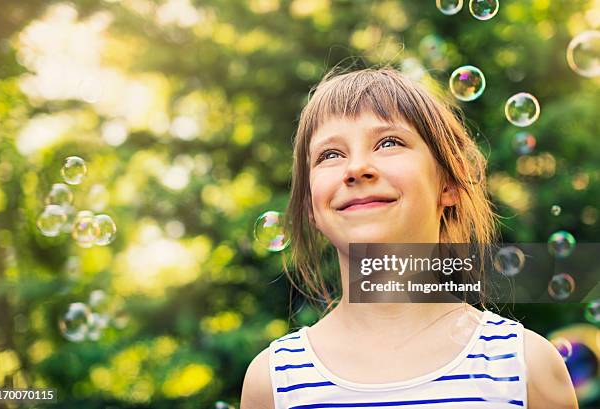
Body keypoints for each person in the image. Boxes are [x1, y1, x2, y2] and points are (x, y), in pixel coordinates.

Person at [241, 66, 578, 409]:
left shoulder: (525, 367)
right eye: (330, 155)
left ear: (448, 184)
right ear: (310, 206)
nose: (356, 168)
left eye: (389, 142)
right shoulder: (274, 381)